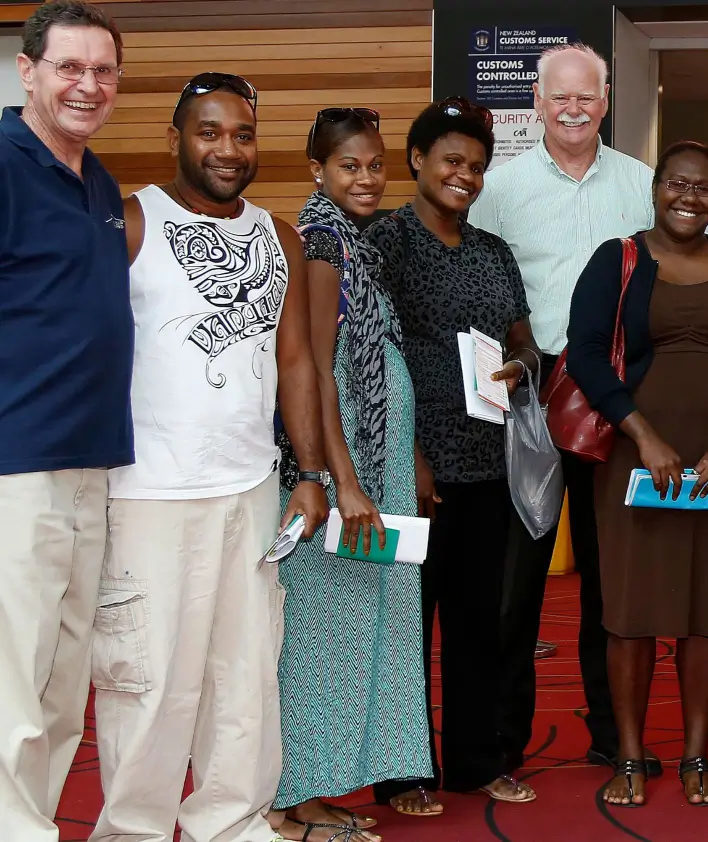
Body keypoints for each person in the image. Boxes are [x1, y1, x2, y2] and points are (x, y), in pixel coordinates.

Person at [90, 71, 331, 842]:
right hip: (147, 493)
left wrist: (310, 473)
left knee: (245, 679)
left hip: (252, 491)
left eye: (242, 134)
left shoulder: (278, 235)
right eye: (209, 132)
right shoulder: (131, 222)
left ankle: (231, 825)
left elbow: (295, 363)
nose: (227, 149)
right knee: (150, 682)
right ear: (176, 139)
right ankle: (133, 832)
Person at [464, 41, 655, 776]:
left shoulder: (640, 185)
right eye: (559, 96)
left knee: (612, 588)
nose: (573, 108)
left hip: (615, 410)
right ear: (536, 103)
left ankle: (614, 737)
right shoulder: (500, 190)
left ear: (606, 101)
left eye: (587, 96)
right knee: (515, 589)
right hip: (526, 407)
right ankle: (504, 743)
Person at [568, 140, 708, 808]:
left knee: (705, 614)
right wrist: (643, 435)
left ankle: (695, 753)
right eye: (677, 184)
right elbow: (588, 357)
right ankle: (628, 754)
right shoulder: (616, 260)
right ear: (655, 188)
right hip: (635, 460)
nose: (689, 196)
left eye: (704, 187)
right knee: (630, 613)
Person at [367, 96, 541, 813]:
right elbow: (369, 357)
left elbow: (522, 336)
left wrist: (522, 365)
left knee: (479, 624)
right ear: (417, 160)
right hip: (411, 466)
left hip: (488, 462)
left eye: (475, 165)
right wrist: (406, 453)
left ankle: (474, 763)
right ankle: (402, 774)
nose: (463, 175)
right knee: (405, 622)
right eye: (450, 160)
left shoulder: (492, 251)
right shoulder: (387, 242)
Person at [269, 106, 434, 841]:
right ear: (316, 170)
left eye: (374, 165)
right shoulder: (323, 245)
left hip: (375, 464)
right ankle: (291, 795)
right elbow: (317, 372)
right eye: (348, 166)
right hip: (346, 475)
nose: (365, 179)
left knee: (359, 632)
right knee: (319, 638)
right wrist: (348, 479)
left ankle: (316, 788)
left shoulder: (352, 243)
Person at [0, 5, 131, 840]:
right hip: (19, 459)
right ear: (28, 72)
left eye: (103, 71)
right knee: (11, 678)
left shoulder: (100, 179)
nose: (88, 85)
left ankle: (31, 822)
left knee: (60, 680)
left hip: (95, 459)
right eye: (69, 68)